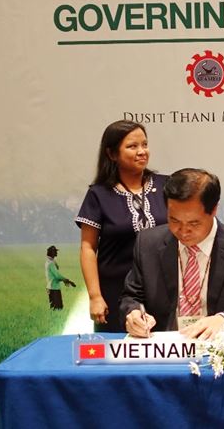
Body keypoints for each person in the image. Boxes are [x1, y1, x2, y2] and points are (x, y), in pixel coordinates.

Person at [120, 168, 224, 340]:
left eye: (194, 223)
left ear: (214, 209)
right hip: (165, 348)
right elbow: (132, 296)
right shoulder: (148, 243)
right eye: (174, 220)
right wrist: (134, 313)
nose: (183, 231)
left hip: (220, 351)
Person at [75, 120, 167, 332]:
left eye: (144, 144)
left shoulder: (167, 186)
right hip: (115, 292)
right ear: (112, 154)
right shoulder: (98, 194)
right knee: (117, 355)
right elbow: (88, 248)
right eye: (132, 146)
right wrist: (95, 297)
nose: (142, 152)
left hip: (162, 290)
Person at [45, 245, 75, 310]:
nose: (56, 253)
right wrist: (67, 280)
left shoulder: (50, 261)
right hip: (53, 287)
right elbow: (57, 276)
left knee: (55, 307)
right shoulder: (51, 263)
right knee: (57, 307)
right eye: (55, 251)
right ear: (51, 252)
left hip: (52, 286)